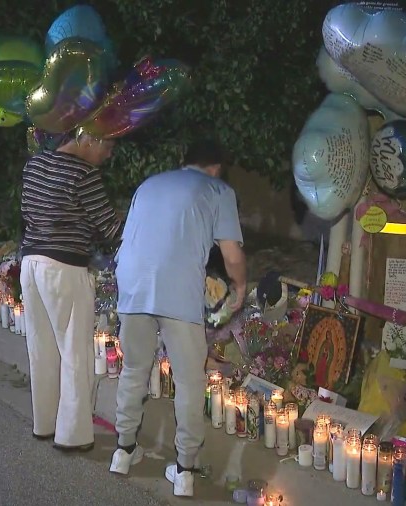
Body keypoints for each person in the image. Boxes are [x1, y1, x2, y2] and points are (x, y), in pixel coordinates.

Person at [109, 139, 247, 497]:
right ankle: (184, 470)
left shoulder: (149, 184)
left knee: (134, 369)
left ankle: (123, 452)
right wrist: (240, 285)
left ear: (185, 161)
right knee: (188, 380)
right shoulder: (218, 190)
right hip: (178, 290)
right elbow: (232, 255)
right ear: (216, 167)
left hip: (132, 282)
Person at [20, 132, 121, 452]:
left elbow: (27, 212)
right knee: (75, 352)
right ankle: (72, 435)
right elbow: (110, 228)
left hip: (31, 263)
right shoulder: (84, 174)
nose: (107, 154)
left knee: (42, 348)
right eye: (107, 145)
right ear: (87, 137)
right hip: (65, 267)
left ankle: (44, 424)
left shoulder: (33, 164)